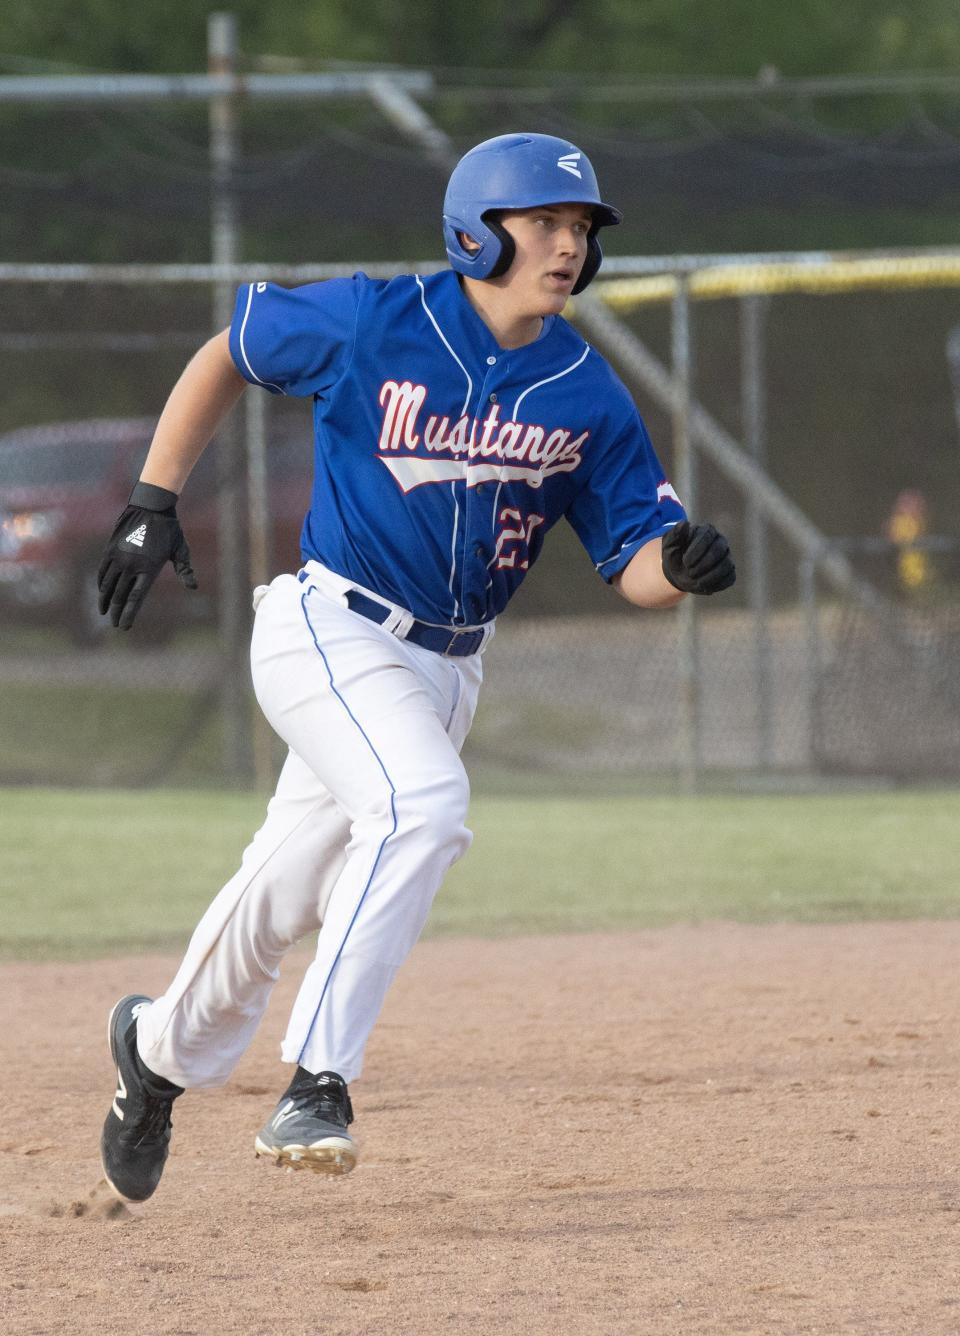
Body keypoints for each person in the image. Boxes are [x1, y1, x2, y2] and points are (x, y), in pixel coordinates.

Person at [95, 132, 735, 1204]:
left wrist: (683, 565)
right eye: (545, 223)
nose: (569, 245)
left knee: (283, 888)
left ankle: (154, 1054)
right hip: (327, 628)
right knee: (425, 805)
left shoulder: (586, 390)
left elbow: (632, 562)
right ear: (475, 232)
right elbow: (229, 353)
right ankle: (321, 1077)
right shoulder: (375, 319)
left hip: (446, 670)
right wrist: (152, 504)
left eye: (581, 228)